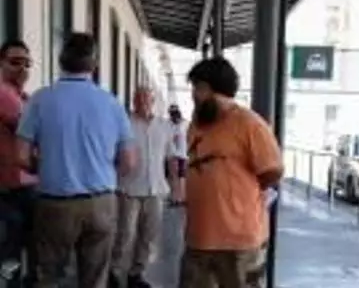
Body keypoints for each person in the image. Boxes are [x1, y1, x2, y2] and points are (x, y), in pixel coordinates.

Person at [16, 32, 136, 288]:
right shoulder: (112, 104)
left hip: (54, 203)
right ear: (94, 64)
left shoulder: (40, 99)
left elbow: (21, 156)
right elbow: (128, 161)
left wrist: (46, 167)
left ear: (61, 60)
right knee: (95, 280)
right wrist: (103, 173)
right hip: (101, 203)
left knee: (49, 277)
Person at [179, 57, 283, 288]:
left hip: (240, 245)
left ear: (217, 90)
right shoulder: (196, 125)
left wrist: (241, 196)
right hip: (199, 240)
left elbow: (272, 171)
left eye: (199, 88)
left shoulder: (250, 124)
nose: (194, 95)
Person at [110, 87, 182, 288]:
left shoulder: (164, 126)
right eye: (138, 98)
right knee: (125, 234)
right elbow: (113, 153)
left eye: (146, 98)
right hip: (129, 189)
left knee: (148, 235)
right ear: (133, 101)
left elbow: (171, 157)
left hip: (156, 190)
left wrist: (176, 185)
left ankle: (136, 273)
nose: (142, 102)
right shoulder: (124, 124)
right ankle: (114, 272)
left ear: (153, 101)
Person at [0, 40, 36, 286]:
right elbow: (28, 132)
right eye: (15, 62)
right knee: (11, 255)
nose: (22, 68)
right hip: (9, 189)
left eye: (26, 63)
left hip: (29, 185)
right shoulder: (3, 94)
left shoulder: (25, 97)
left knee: (31, 252)